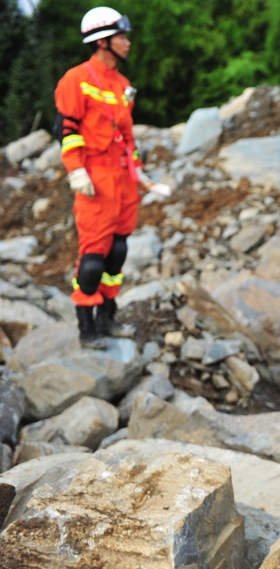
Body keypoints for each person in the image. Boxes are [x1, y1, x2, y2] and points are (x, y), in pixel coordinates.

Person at [54, 7, 158, 349]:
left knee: (118, 251)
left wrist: (137, 169)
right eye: (121, 37)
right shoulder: (76, 79)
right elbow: (67, 129)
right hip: (95, 177)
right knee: (94, 256)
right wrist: (76, 170)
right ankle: (87, 329)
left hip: (122, 178)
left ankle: (108, 318)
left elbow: (128, 136)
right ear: (102, 42)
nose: (127, 43)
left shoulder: (123, 85)